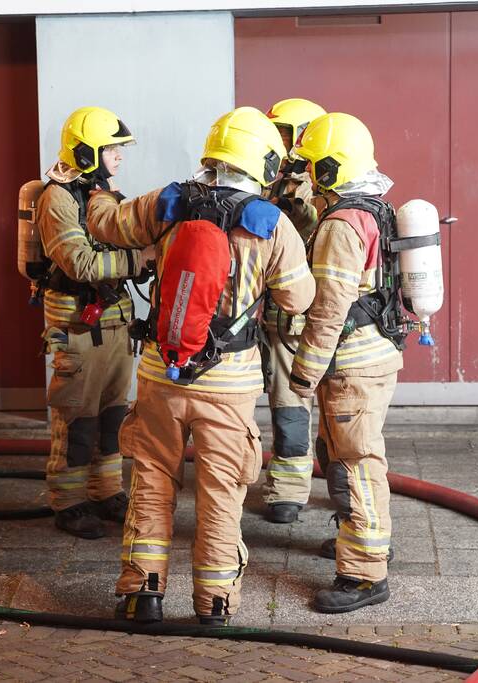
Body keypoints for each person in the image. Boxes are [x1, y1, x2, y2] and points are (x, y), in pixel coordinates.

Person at [86, 106, 315, 625]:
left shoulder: (165, 203)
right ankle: (214, 605)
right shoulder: (271, 224)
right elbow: (300, 299)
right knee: (220, 491)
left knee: (151, 479)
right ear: (262, 162)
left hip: (159, 371)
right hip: (230, 385)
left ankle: (142, 595)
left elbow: (103, 224)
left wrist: (95, 184)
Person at [289, 112, 402, 613]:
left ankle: (363, 576)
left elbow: (329, 308)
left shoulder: (340, 224)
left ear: (331, 168)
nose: (309, 176)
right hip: (374, 354)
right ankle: (362, 545)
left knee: (356, 465)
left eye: (313, 166)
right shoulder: (375, 208)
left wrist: (304, 371)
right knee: (343, 457)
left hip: (351, 364)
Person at [36, 106, 152, 539]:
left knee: (112, 416)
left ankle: (107, 492)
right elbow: (80, 262)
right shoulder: (58, 198)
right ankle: (68, 502)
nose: (119, 156)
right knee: (77, 417)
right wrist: (139, 259)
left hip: (116, 321)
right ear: (87, 151)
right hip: (77, 326)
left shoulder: (103, 194)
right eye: (112, 148)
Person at [260, 98, 326, 524]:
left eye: (286, 133)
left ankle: (305, 490)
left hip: (312, 320)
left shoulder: (323, 190)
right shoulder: (269, 182)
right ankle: (285, 487)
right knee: (282, 403)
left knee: (312, 409)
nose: (279, 142)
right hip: (274, 317)